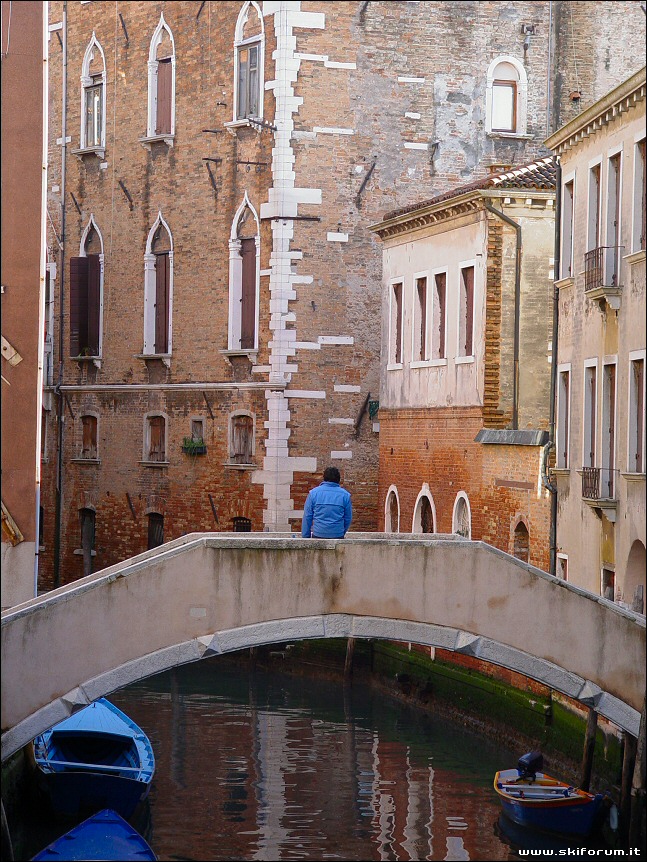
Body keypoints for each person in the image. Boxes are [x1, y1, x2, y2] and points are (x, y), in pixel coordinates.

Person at [301, 466, 352, 539]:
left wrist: (306, 537)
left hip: (318, 534)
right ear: (338, 479)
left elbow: (307, 517)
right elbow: (348, 518)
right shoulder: (345, 495)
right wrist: (340, 532)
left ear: (324, 478)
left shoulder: (313, 493)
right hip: (337, 534)